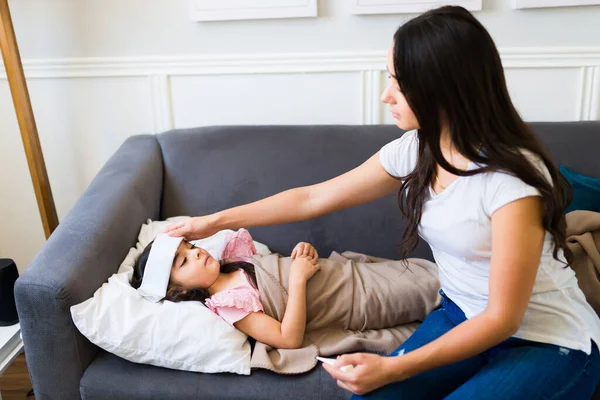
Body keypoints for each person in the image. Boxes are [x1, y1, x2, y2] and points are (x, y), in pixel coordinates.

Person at [163, 5, 600, 399]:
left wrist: (395, 367)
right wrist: (213, 222)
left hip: (545, 339)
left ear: (442, 90)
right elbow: (313, 197)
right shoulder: (417, 149)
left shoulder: (509, 181)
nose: (386, 95)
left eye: (399, 82)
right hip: (460, 315)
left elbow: (504, 318)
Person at [131, 232, 320, 350]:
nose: (195, 252)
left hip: (334, 272)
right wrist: (297, 280)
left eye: (191, 246)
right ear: (178, 291)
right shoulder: (229, 303)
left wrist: (301, 254)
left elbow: (276, 272)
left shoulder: (235, 260)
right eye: (184, 261)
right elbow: (288, 339)